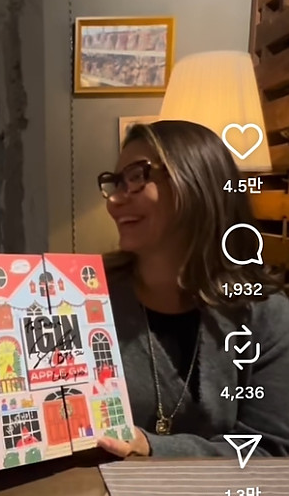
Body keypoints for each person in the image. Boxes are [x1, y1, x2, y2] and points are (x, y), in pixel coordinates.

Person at [93, 120, 289, 458]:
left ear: (196, 182)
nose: (114, 201)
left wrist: (153, 448)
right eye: (115, 182)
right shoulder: (86, 298)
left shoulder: (265, 314)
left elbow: (271, 450)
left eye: (136, 177)